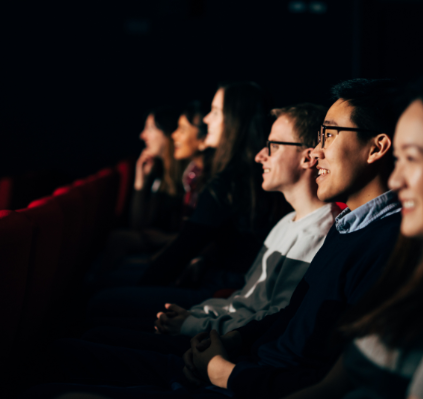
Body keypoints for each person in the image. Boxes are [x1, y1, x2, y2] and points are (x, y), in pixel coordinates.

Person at [19, 78, 405, 399]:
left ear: (377, 147)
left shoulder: (384, 243)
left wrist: (220, 369)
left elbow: (321, 376)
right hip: (241, 362)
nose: (316, 153)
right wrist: (230, 345)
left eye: (329, 135)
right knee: (64, 350)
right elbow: (287, 316)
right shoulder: (348, 226)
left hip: (243, 380)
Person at [285, 70, 423, 399]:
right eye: (397, 159)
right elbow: (330, 385)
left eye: (410, 158)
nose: (396, 180)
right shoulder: (418, 264)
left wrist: (230, 375)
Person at [79, 104, 339, 355]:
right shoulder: (287, 222)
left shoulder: (317, 234)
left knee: (92, 335)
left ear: (308, 156)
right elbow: (244, 300)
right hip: (213, 326)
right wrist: (195, 315)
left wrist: (193, 322)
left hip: (221, 346)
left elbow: (273, 322)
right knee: (97, 325)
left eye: (273, 146)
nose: (260, 155)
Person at [85, 82, 284, 325]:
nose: (208, 119)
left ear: (235, 120)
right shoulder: (252, 177)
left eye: (216, 112)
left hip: (219, 293)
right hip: (227, 287)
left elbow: (179, 253)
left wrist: (140, 290)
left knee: (99, 298)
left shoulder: (226, 183)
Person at [87, 103, 209, 288]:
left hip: (177, 257)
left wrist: (162, 239)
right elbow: (140, 225)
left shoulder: (193, 176)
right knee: (116, 243)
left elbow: (198, 236)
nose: (142, 135)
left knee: (116, 246)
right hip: (167, 252)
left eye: (150, 128)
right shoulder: (161, 172)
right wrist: (140, 183)